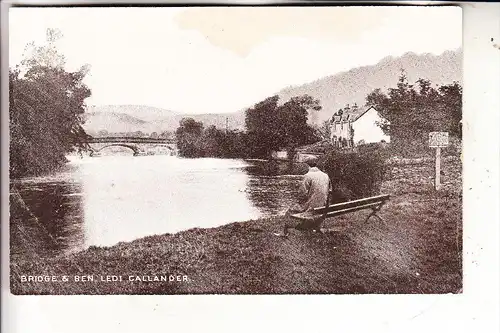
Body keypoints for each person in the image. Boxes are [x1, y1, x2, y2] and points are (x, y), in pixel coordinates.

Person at [280, 157, 331, 236]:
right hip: (323, 207)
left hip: (311, 207)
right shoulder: (325, 175)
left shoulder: (308, 176)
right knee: (311, 207)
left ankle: (284, 232)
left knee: (289, 212)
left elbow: (302, 194)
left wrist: (299, 201)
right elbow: (330, 191)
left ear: (307, 165)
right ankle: (313, 227)